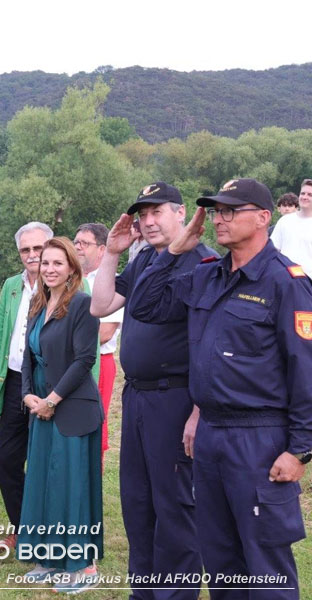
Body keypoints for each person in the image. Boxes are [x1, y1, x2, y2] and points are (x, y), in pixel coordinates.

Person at [128, 178, 312, 600]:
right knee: (221, 559)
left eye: (231, 210)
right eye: (215, 211)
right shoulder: (208, 275)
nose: (218, 219)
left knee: (265, 562)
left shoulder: (286, 281)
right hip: (210, 435)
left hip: (258, 437)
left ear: (264, 218)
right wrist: (175, 250)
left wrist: (300, 448)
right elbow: (144, 305)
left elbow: (305, 369)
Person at [91, 182, 209, 599]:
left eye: (157, 211)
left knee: (175, 508)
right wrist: (111, 252)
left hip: (177, 398)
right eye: (143, 214)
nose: (148, 220)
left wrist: (198, 411)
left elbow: (206, 344)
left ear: (181, 213)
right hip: (139, 396)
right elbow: (100, 305)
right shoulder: (145, 260)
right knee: (139, 506)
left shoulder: (203, 262)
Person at [17, 237, 103, 593]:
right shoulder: (39, 306)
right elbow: (28, 356)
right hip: (41, 409)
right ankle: (49, 557)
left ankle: (83, 567)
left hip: (73, 411)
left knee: (72, 488)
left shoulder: (83, 305)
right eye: (44, 263)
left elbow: (85, 359)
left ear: (71, 269)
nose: (49, 269)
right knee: (43, 484)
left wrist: (51, 400)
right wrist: (27, 395)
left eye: (57, 263)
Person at [0, 221, 53, 550]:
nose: (32, 255)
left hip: (47, 384)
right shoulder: (13, 285)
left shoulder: (68, 283)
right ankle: (22, 527)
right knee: (7, 460)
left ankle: (49, 531)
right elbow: (3, 339)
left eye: (38, 249)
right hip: (14, 380)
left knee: (45, 461)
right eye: (25, 250)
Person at [74, 223, 123, 462]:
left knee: (92, 425)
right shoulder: (68, 276)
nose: (78, 247)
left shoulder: (111, 281)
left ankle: (90, 487)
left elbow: (105, 332)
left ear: (102, 249)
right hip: (67, 360)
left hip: (98, 362)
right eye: (76, 242)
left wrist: (67, 344)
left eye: (85, 243)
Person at [270, 179, 312, 275]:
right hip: (283, 279)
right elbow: (273, 250)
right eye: (303, 193)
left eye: (310, 195)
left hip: (308, 283)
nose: (305, 197)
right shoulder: (285, 221)